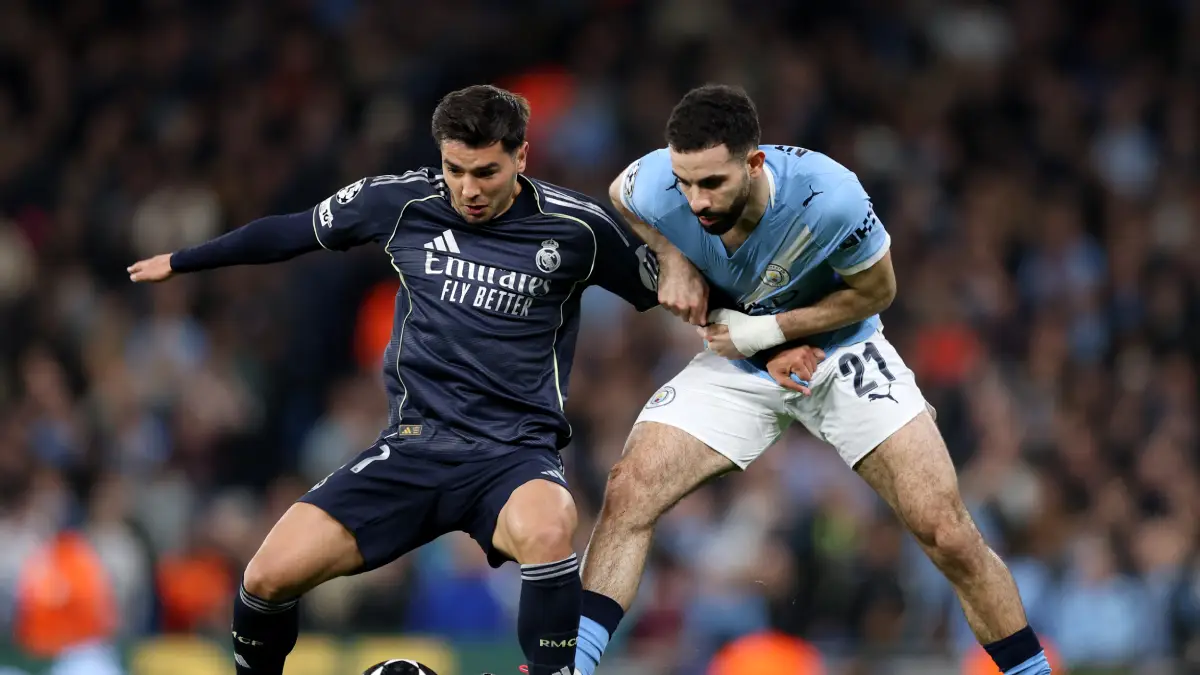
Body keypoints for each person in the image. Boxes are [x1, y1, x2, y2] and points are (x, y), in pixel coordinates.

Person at [128, 84, 662, 675]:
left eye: (486, 172)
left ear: (521, 157)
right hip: (413, 449)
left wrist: (729, 307)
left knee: (550, 524)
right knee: (264, 577)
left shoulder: (577, 227)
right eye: (455, 169)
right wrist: (182, 260)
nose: (468, 188)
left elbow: (663, 285)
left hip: (512, 456)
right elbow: (292, 232)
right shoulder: (401, 201)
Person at [573, 84, 1053, 675]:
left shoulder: (829, 196)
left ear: (754, 163)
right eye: (684, 183)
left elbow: (877, 291)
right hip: (739, 360)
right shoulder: (656, 184)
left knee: (947, 532)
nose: (695, 200)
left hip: (842, 351)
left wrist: (769, 329)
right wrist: (671, 258)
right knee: (629, 489)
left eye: (712, 183)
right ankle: (570, 667)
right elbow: (621, 192)